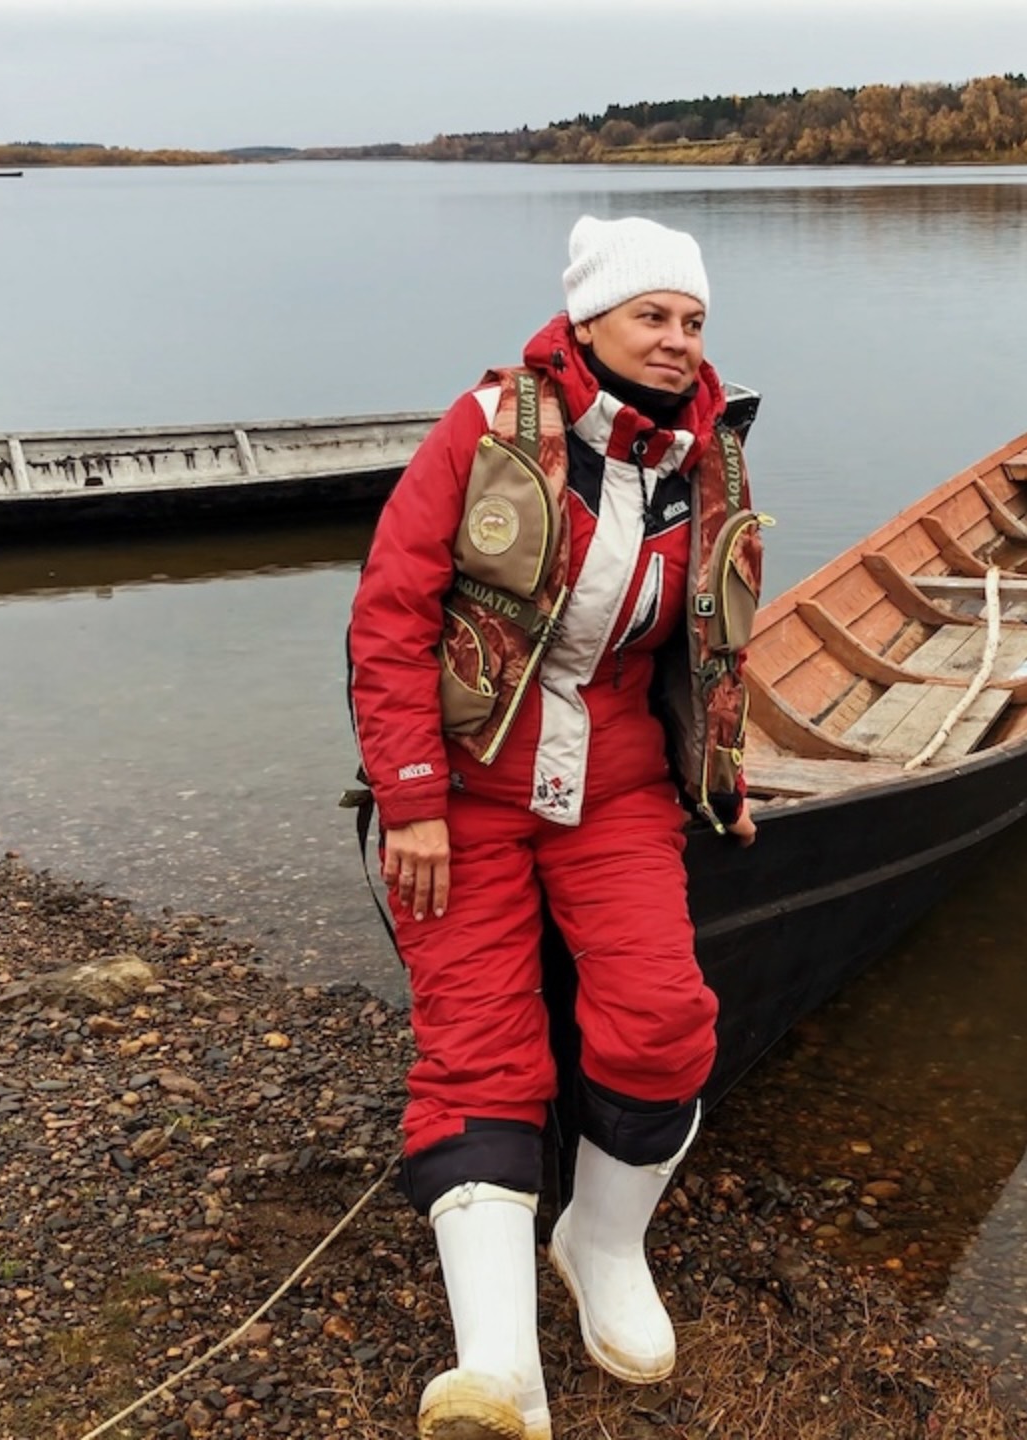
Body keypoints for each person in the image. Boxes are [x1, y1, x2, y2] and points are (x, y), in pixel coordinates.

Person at [347, 214, 764, 1440]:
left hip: (618, 791)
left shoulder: (707, 458)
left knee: (663, 1020)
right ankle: (498, 1370)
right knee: (479, 1046)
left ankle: (599, 1244)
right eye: (652, 315)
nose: (677, 339)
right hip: (465, 793)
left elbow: (711, 645)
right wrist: (410, 799)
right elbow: (390, 617)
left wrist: (722, 778)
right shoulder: (485, 429)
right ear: (587, 320)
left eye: (692, 320)